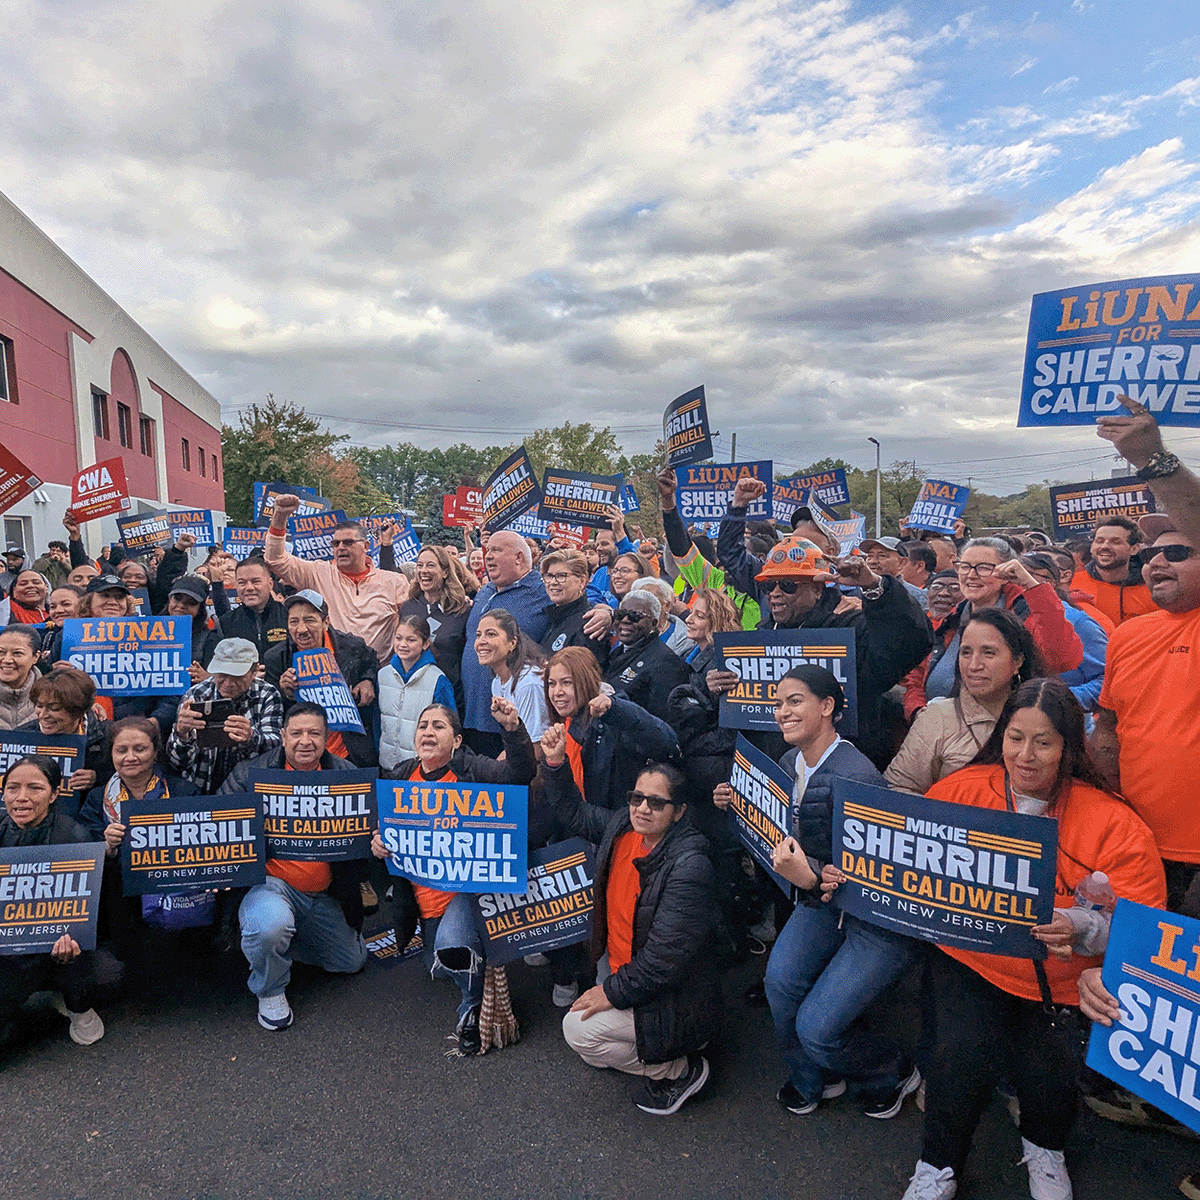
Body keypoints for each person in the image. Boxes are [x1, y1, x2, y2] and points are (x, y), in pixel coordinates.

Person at [899, 679, 1166, 1200]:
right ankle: (937, 1164)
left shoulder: (1115, 823)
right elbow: (905, 860)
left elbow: (1144, 928)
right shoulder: (959, 790)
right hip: (971, 961)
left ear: (1069, 747)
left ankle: (1045, 1150)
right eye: (1015, 738)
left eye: (1043, 742)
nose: (1026, 755)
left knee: (1050, 1075)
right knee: (956, 1059)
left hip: (1062, 981)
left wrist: (1085, 928)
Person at [713, 666, 921, 1119]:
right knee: (779, 982)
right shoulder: (790, 764)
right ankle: (815, 1078)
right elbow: (790, 834)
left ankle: (892, 1071)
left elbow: (875, 884)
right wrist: (741, 801)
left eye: (794, 701)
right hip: (820, 905)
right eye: (778, 702)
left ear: (827, 707)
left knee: (817, 1028)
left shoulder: (858, 778)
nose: (781, 711)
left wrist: (808, 879)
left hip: (872, 925)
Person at [544, 739, 718, 1115]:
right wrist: (555, 764)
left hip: (671, 993)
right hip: (625, 966)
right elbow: (574, 813)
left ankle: (679, 1070)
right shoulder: (624, 827)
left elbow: (661, 963)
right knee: (594, 1047)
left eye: (656, 802)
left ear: (679, 812)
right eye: (636, 797)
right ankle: (664, 1047)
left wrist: (610, 993)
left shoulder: (689, 866)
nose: (642, 808)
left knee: (577, 1031)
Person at [374, 698, 537, 1054]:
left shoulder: (473, 769)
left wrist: (513, 731)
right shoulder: (400, 775)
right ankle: (473, 962)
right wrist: (378, 842)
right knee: (438, 962)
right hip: (424, 898)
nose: (428, 732)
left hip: (468, 893)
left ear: (457, 740)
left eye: (438, 726)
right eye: (423, 726)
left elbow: (519, 774)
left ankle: (471, 1010)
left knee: (453, 949)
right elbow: (382, 826)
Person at [710, 513, 932, 768]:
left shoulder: (848, 628)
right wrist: (716, 688)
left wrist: (873, 586)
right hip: (775, 776)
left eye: (787, 585)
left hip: (837, 771)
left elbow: (908, 643)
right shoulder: (760, 639)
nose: (775, 594)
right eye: (767, 586)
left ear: (817, 588)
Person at [219, 703, 370, 1031]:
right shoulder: (250, 774)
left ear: (327, 738)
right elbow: (219, 827)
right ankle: (270, 988)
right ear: (283, 736)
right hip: (270, 885)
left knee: (353, 961)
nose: (306, 741)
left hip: (322, 894)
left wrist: (373, 838)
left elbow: (364, 844)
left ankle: (278, 946)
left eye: (314, 733)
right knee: (270, 926)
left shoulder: (346, 775)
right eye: (297, 733)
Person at [1092, 511, 1200, 907]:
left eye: (1176, 551)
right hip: (1139, 846)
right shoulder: (1128, 635)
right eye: (1152, 553)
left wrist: (1151, 459)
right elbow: (1108, 727)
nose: (1156, 562)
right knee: (1142, 966)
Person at [0, 756, 121, 1047]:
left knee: (107, 972)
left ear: (54, 794)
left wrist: (75, 941)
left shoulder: (75, 838)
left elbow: (93, 914)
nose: (21, 798)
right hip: (6, 950)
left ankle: (75, 1003)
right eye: (12, 788)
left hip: (61, 947)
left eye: (35, 788)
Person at [907, 537, 1082, 717]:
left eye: (984, 568)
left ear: (1007, 574)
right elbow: (916, 677)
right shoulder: (948, 620)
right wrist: (917, 711)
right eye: (965, 566)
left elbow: (1062, 659)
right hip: (939, 730)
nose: (971, 575)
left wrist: (1031, 585)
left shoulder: (1028, 614)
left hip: (1006, 729)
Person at [887, 609, 1043, 795]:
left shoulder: (1043, 716)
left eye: (989, 653)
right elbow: (897, 788)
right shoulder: (938, 718)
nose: (974, 665)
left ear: (1018, 661)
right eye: (966, 653)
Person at [264, 493, 409, 664]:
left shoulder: (395, 582)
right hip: (332, 670)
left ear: (366, 546)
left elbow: (411, 627)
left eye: (348, 542)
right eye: (336, 543)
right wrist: (280, 516)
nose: (340, 548)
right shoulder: (319, 573)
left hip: (379, 674)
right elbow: (275, 559)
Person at [461, 532, 566, 755]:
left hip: (511, 721)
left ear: (519, 558)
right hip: (472, 712)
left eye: (496, 550)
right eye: (487, 550)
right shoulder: (486, 590)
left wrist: (604, 612)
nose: (487, 556)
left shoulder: (542, 590)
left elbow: (577, 605)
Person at [545, 646, 679, 812]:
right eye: (552, 684)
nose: (557, 692)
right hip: (584, 825)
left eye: (567, 683)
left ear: (588, 682)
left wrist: (617, 710)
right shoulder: (566, 723)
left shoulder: (616, 719)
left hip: (617, 828)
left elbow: (668, 742)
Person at [263, 589, 378, 767]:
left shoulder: (352, 646)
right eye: (294, 621)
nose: (301, 629)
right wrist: (284, 691)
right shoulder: (276, 658)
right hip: (303, 755)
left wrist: (368, 680)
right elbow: (275, 714)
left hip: (349, 753)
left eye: (309, 620)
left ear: (326, 622)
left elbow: (371, 661)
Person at [166, 638, 283, 794]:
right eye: (222, 675)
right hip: (201, 787)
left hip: (249, 788)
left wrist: (251, 737)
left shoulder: (267, 694)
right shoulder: (196, 695)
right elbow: (176, 764)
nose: (228, 683)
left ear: (254, 672)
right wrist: (181, 734)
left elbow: (277, 751)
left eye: (237, 676)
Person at [655, 465, 761, 630]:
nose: (731, 561)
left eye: (742, 555)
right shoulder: (715, 581)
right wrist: (668, 502)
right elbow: (683, 550)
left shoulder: (771, 594)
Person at [1020, 553, 1108, 712]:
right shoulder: (1002, 615)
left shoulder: (1076, 621)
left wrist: (1057, 699)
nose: (1018, 582)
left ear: (1052, 583)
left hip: (1062, 721)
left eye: (1026, 575)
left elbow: (1108, 679)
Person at [19, 667, 109, 818]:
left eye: (54, 708)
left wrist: (97, 778)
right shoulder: (21, 736)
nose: (43, 715)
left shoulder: (109, 737)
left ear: (79, 710)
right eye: (39, 706)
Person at [377, 613, 455, 770]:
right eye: (398, 638)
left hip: (421, 767)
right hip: (387, 765)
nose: (403, 644)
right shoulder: (382, 675)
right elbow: (377, 721)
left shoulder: (437, 680)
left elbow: (449, 726)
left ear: (425, 644)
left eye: (411, 640)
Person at [398, 544, 472, 709]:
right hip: (412, 696)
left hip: (449, 697)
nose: (424, 570)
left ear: (445, 572)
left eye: (430, 565)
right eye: (420, 565)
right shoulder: (408, 608)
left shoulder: (462, 610)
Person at [603, 590, 692, 725]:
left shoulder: (667, 663)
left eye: (635, 616)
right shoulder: (614, 654)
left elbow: (660, 724)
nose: (625, 621)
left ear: (654, 623)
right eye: (620, 615)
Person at [474, 608, 550, 748]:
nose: (481, 642)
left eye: (491, 634)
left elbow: (537, 747)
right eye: (478, 635)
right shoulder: (497, 682)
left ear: (512, 643)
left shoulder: (529, 682)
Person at [1069, 516, 1156, 627]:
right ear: (1091, 547)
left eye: (1115, 542)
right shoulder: (1072, 584)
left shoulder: (1152, 588)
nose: (1105, 546)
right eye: (1099, 541)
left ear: (1134, 549)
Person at [539, 549, 610, 668]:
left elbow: (583, 677)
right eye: (549, 576)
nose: (553, 582)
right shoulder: (552, 617)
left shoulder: (589, 624)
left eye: (561, 576)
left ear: (582, 580)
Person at [218, 556, 288, 660]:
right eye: (242, 583)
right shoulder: (226, 622)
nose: (249, 588)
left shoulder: (288, 616)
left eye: (256, 581)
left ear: (270, 584)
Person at [682, 585, 741, 678]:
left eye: (699, 616)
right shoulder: (687, 655)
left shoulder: (722, 663)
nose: (688, 620)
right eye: (691, 612)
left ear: (718, 622)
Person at [861, 537, 928, 611]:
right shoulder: (855, 593)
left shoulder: (918, 597)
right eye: (870, 556)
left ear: (902, 562)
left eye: (882, 556)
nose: (873, 561)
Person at [0, 625, 42, 730]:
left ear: (35, 657)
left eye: (17, 653)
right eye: (1, 652)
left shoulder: (54, 696)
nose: (7, 660)